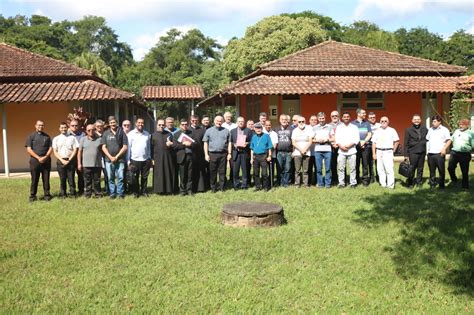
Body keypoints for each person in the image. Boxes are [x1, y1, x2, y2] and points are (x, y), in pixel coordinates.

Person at [102, 116, 128, 199]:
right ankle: (112, 193)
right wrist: (110, 157)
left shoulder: (121, 132)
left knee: (120, 177)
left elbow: (125, 147)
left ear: (116, 123)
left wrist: (116, 157)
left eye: (114, 122)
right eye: (111, 123)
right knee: (111, 178)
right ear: (109, 124)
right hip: (108, 160)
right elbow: (103, 147)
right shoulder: (106, 133)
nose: (113, 124)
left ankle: (120, 193)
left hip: (120, 159)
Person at [26, 120, 52, 202]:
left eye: (42, 125)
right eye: (39, 125)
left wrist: (45, 157)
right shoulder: (31, 136)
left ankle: (47, 195)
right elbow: (29, 149)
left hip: (46, 161)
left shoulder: (47, 137)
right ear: (35, 126)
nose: (40, 126)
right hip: (35, 161)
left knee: (46, 179)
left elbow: (51, 148)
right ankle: (33, 196)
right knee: (34, 179)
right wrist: (38, 158)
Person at [203, 115, 231, 192]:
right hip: (212, 154)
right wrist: (206, 154)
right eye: (217, 121)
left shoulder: (226, 131)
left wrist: (229, 153)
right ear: (214, 121)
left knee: (222, 171)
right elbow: (205, 143)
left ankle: (222, 187)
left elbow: (229, 143)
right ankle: (213, 187)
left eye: (220, 121)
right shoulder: (209, 131)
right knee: (212, 171)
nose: (219, 122)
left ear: (222, 122)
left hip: (223, 154)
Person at [371, 116, 399, 189]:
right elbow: (374, 143)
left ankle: (390, 185)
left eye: (385, 121)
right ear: (380, 122)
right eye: (382, 121)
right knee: (380, 169)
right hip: (379, 151)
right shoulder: (377, 131)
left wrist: (394, 150)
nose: (384, 122)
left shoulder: (392, 130)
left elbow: (396, 141)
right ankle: (383, 184)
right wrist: (374, 153)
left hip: (388, 151)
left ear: (388, 122)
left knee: (389, 169)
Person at [52, 122, 79, 198]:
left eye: (65, 127)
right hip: (61, 161)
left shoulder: (72, 138)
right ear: (59, 129)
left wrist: (69, 159)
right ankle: (63, 194)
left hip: (71, 161)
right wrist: (62, 160)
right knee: (62, 178)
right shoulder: (56, 139)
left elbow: (75, 149)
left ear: (67, 128)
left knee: (71, 178)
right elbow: (55, 151)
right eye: (62, 127)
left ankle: (73, 193)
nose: (63, 129)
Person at [445, 118, 473, 190]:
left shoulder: (471, 133)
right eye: (460, 124)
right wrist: (444, 148)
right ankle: (454, 179)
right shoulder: (456, 131)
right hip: (454, 153)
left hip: (465, 154)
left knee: (464, 171)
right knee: (450, 167)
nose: (460, 126)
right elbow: (451, 140)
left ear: (467, 125)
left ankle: (465, 186)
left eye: (462, 125)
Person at [127, 117, 152, 197]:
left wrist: (149, 157)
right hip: (134, 159)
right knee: (135, 177)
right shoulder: (130, 134)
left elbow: (148, 147)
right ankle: (136, 192)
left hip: (145, 159)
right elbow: (128, 148)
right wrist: (128, 160)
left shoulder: (147, 134)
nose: (140, 124)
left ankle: (144, 191)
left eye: (142, 123)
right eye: (139, 122)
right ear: (135, 123)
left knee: (144, 177)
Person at [151, 119, 176, 195]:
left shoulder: (169, 134)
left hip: (168, 158)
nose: (161, 126)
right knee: (159, 174)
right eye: (159, 125)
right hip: (157, 158)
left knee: (168, 173)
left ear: (165, 125)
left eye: (163, 125)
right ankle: (159, 190)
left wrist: (170, 144)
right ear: (156, 125)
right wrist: (152, 159)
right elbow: (150, 148)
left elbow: (174, 145)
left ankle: (169, 189)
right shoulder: (153, 135)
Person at [173, 119, 197, 196]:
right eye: (182, 124)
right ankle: (182, 191)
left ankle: (189, 190)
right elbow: (175, 146)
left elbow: (196, 144)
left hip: (190, 156)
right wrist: (184, 144)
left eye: (186, 124)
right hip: (181, 156)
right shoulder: (176, 134)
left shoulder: (192, 133)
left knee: (190, 174)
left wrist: (190, 144)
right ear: (180, 125)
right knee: (182, 175)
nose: (184, 126)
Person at [78, 124, 103, 198]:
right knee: (87, 181)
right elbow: (79, 152)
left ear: (95, 130)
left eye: (92, 130)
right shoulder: (83, 139)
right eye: (89, 130)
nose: (91, 131)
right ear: (86, 131)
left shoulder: (99, 139)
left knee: (97, 180)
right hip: (86, 164)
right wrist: (79, 163)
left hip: (97, 164)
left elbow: (103, 150)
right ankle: (88, 194)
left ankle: (97, 194)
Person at [403, 114, 428, 188]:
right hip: (413, 152)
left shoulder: (425, 129)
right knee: (412, 168)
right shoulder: (408, 130)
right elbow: (406, 143)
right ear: (412, 120)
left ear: (420, 120)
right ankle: (410, 183)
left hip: (422, 151)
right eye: (415, 119)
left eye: (418, 119)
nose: (416, 121)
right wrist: (406, 155)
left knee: (420, 168)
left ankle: (419, 182)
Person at [336, 112, 360, 188]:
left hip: (352, 150)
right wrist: (341, 146)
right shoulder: (339, 127)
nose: (346, 118)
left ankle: (353, 183)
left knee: (353, 168)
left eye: (347, 116)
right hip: (341, 151)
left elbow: (356, 139)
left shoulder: (354, 127)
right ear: (342, 118)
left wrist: (349, 146)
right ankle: (341, 183)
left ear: (349, 118)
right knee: (340, 168)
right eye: (344, 116)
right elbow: (337, 138)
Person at [426, 115, 450, 189]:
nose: (433, 123)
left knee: (441, 170)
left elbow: (449, 140)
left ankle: (441, 185)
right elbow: (427, 139)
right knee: (432, 171)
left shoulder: (444, 130)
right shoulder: (430, 129)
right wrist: (427, 151)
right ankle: (432, 185)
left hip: (440, 154)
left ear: (439, 121)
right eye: (432, 121)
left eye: (435, 121)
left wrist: (444, 149)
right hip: (431, 154)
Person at [229, 116, 252, 190]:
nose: (241, 123)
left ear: (244, 122)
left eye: (242, 121)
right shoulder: (232, 131)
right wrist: (234, 144)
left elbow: (252, 141)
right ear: (237, 122)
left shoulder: (248, 130)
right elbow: (230, 142)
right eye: (239, 121)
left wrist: (247, 143)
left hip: (245, 153)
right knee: (235, 170)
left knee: (245, 169)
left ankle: (244, 185)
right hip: (236, 152)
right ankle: (236, 184)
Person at [351, 108, 372, 186]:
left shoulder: (367, 123)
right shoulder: (352, 123)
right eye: (363, 113)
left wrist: (364, 142)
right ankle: (356, 179)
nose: (365, 114)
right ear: (358, 114)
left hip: (365, 147)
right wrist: (359, 142)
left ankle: (365, 180)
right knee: (355, 164)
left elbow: (369, 134)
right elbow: (351, 135)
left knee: (365, 164)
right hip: (355, 146)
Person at [313, 112, 334, 188]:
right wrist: (318, 140)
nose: (321, 120)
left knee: (328, 168)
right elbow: (311, 139)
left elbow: (333, 138)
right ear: (318, 119)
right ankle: (320, 184)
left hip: (328, 150)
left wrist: (326, 139)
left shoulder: (330, 127)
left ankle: (328, 184)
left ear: (325, 118)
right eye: (320, 118)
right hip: (318, 150)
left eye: (323, 118)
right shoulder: (314, 128)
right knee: (319, 169)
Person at [250, 122, 273, 191]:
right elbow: (252, 148)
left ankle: (265, 186)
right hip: (255, 157)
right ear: (254, 129)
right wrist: (251, 158)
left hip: (264, 156)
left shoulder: (266, 136)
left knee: (264, 173)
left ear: (262, 128)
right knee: (256, 173)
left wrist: (269, 155)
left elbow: (269, 147)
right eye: (257, 128)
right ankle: (257, 186)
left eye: (259, 128)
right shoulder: (253, 137)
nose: (258, 129)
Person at [292, 116, 313, 187]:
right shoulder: (295, 130)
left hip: (307, 153)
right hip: (297, 153)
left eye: (302, 121)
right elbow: (293, 142)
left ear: (305, 121)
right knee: (297, 170)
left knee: (305, 170)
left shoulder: (309, 129)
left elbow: (310, 141)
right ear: (297, 123)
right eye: (299, 122)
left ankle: (305, 184)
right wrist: (301, 150)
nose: (301, 123)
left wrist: (305, 149)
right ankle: (297, 184)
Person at [190, 115, 208, 193]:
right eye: (193, 120)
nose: (195, 122)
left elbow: (205, 142)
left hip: (200, 153)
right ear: (190, 121)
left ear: (198, 121)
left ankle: (201, 188)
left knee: (201, 171)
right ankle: (192, 188)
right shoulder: (187, 130)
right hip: (191, 154)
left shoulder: (202, 130)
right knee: (192, 171)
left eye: (196, 120)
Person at [68, 119, 85, 195]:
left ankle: (81, 190)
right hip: (70, 157)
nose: (74, 127)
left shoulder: (83, 134)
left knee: (81, 175)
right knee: (70, 175)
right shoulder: (67, 135)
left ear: (79, 126)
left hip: (81, 157)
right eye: (72, 125)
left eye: (76, 125)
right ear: (69, 126)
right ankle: (72, 191)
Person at [275, 114, 292, 187]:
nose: (284, 121)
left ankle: (286, 182)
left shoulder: (291, 129)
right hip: (279, 152)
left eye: (285, 119)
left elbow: (293, 141)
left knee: (287, 168)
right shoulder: (276, 129)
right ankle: (280, 182)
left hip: (288, 152)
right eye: (282, 119)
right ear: (280, 120)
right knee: (279, 168)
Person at [367, 112, 381, 183]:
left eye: (374, 117)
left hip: (378, 146)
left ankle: (379, 176)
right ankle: (372, 177)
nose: (372, 119)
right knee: (370, 163)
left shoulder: (379, 125)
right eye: (371, 117)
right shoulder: (366, 125)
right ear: (368, 118)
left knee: (378, 162)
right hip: (369, 145)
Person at [264, 120, 278, 187]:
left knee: (271, 169)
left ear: (271, 125)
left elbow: (275, 145)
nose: (268, 126)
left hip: (272, 154)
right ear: (264, 125)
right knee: (264, 170)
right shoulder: (262, 133)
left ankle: (271, 182)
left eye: (269, 125)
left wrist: (269, 152)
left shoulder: (274, 133)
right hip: (263, 155)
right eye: (266, 125)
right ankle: (265, 182)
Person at [329, 110, 341, 185]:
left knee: (342, 164)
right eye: (333, 116)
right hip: (331, 147)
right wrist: (333, 144)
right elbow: (328, 136)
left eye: (336, 116)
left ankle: (342, 179)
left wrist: (338, 144)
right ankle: (334, 178)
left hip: (341, 147)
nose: (334, 117)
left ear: (338, 116)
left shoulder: (342, 125)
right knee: (333, 164)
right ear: (331, 117)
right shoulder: (328, 125)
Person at [308, 114, 318, 185]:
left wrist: (312, 139)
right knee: (309, 168)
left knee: (318, 168)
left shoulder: (319, 128)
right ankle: (309, 182)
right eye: (312, 120)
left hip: (317, 151)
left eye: (315, 120)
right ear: (309, 121)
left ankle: (317, 181)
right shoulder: (307, 128)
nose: (314, 121)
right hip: (308, 152)